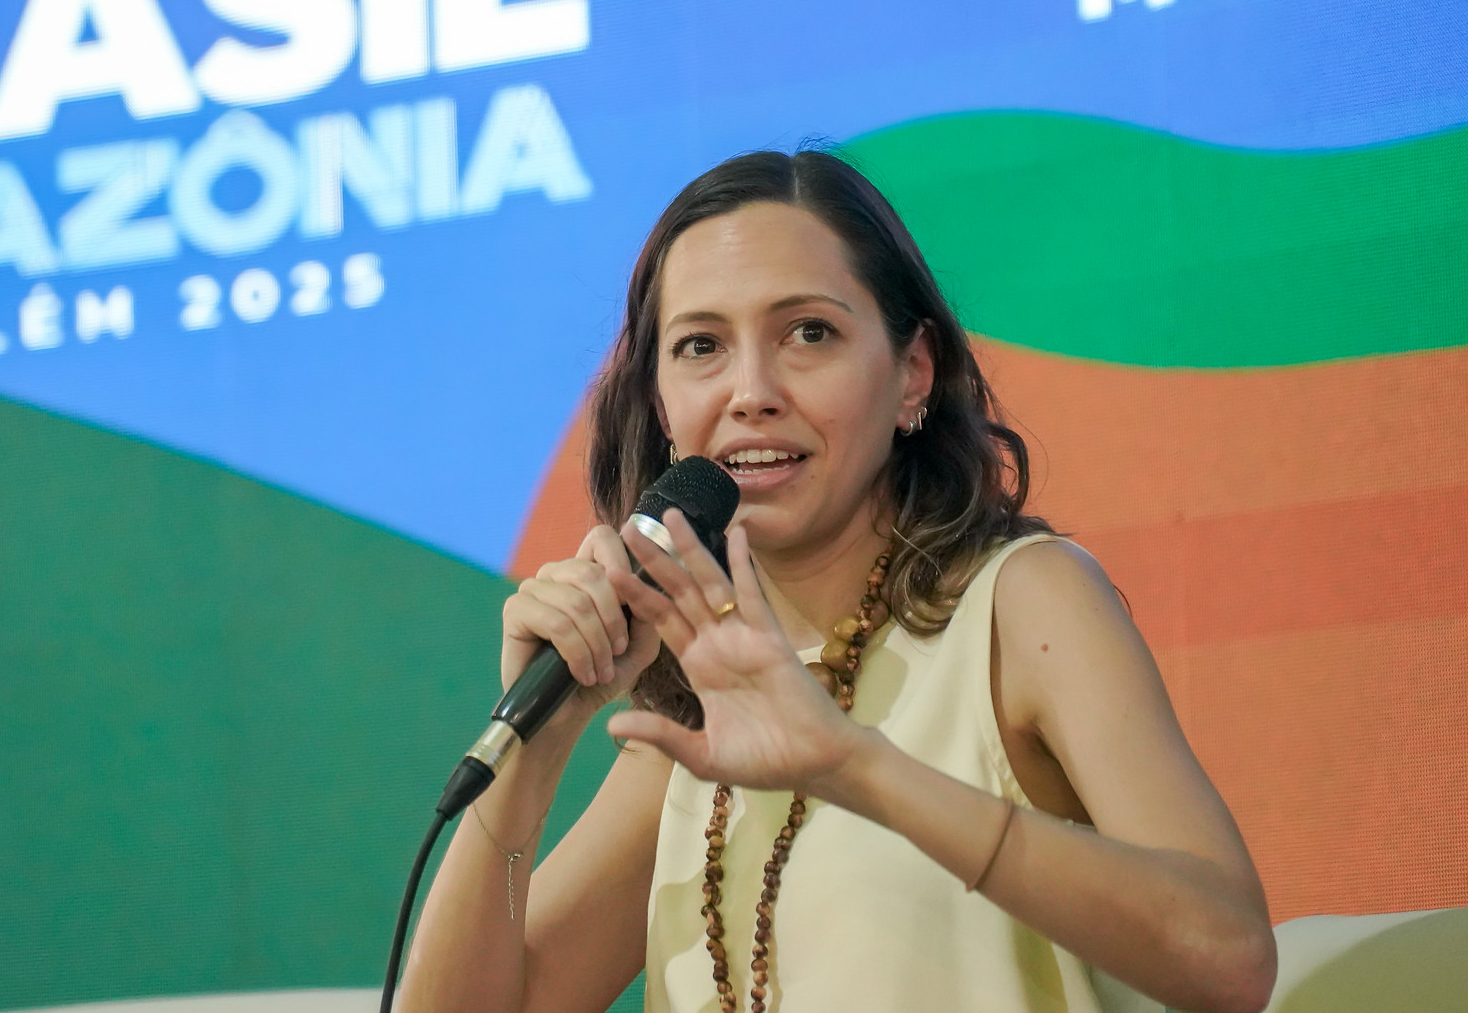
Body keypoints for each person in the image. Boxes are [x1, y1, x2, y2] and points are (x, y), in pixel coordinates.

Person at [398, 151, 1276, 1013]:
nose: (752, 391)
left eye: (808, 333)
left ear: (913, 374)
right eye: (701, 345)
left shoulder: (1023, 603)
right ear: (664, 409)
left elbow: (1227, 958)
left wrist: (856, 765)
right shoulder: (692, 709)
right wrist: (536, 747)